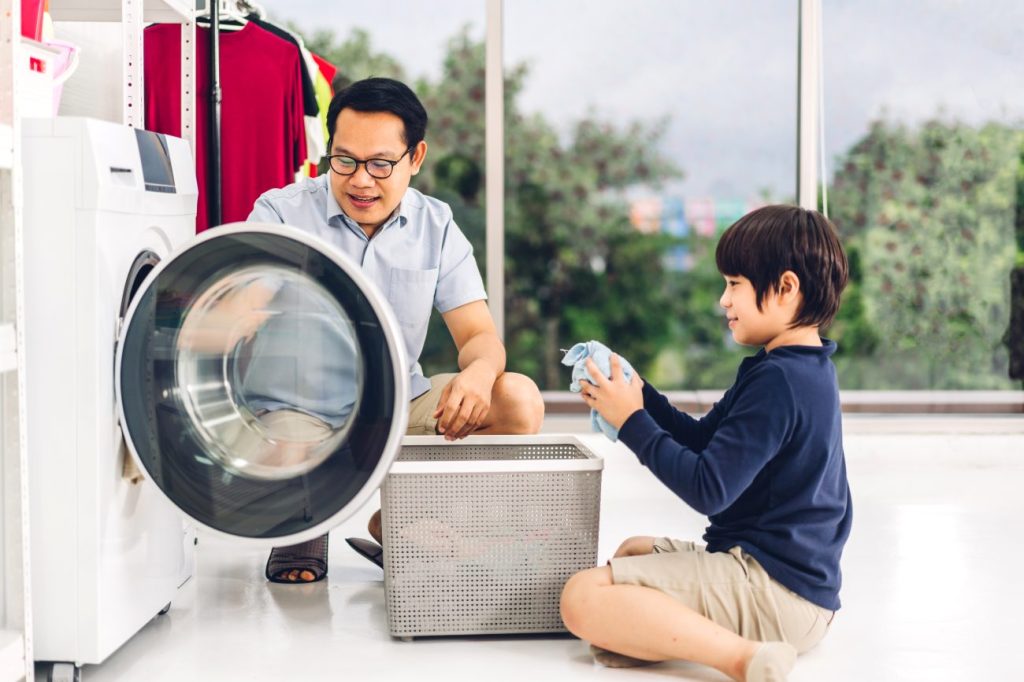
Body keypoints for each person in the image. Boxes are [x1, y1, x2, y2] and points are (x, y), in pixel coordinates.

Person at [246, 77, 544, 583]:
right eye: (345, 161)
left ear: (416, 157)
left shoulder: (437, 224)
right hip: (298, 416)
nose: (361, 181)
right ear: (329, 151)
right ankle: (301, 524)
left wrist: (478, 373)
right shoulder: (280, 212)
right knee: (287, 451)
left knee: (517, 398)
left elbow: (480, 336)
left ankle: (403, 518)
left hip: (398, 406)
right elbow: (241, 303)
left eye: (381, 164)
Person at [559, 205, 851, 682]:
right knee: (633, 550)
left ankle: (745, 660)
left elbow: (708, 488)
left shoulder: (780, 381)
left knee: (581, 598)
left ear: (786, 288)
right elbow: (701, 441)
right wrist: (638, 392)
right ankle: (664, 635)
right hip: (794, 589)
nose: (723, 299)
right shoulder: (795, 368)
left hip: (777, 593)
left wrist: (631, 420)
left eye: (734, 284)